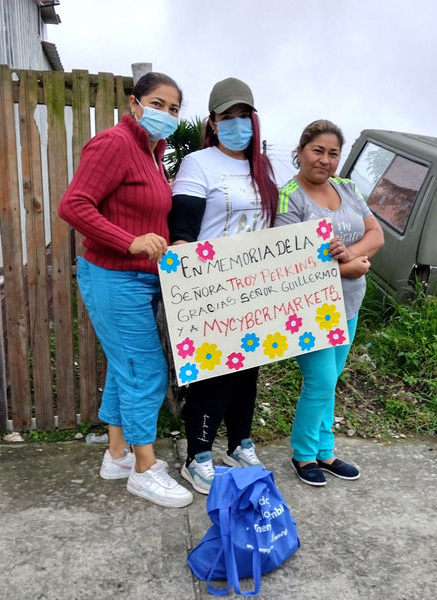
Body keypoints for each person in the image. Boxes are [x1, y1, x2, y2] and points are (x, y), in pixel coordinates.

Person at [58, 72, 193, 508]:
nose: (166, 115)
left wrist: (166, 241)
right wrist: (128, 241)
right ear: (134, 103)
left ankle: (117, 455)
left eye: (174, 109)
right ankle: (144, 469)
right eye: (158, 104)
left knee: (125, 367)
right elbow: (73, 204)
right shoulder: (114, 143)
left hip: (140, 278)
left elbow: (142, 213)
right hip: (113, 277)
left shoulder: (153, 153)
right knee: (146, 372)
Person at [169, 77, 278, 495]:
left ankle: (239, 444)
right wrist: (184, 279)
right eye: (225, 117)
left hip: (255, 287)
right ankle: (197, 457)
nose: (235, 124)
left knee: (248, 370)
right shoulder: (199, 164)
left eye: (242, 116)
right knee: (214, 375)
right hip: (211, 289)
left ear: (254, 119)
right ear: (212, 123)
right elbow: (182, 228)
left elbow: (277, 227)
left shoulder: (263, 167)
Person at [274, 119, 384, 486]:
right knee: (319, 380)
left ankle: (326, 451)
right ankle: (303, 454)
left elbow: (376, 234)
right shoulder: (289, 196)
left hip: (350, 303)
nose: (324, 159)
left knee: (331, 380)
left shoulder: (348, 188)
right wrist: (346, 268)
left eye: (333, 153)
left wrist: (349, 257)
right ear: (301, 151)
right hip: (310, 308)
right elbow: (288, 260)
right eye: (317, 150)